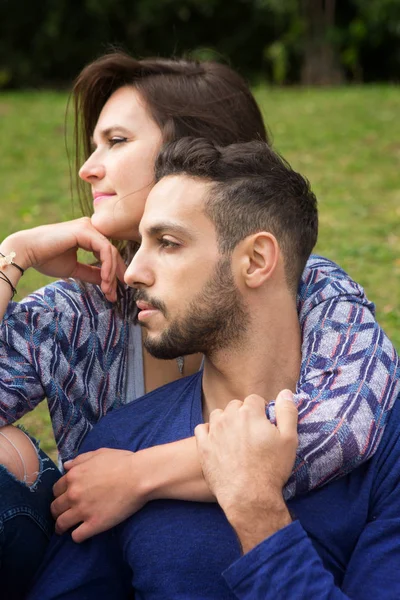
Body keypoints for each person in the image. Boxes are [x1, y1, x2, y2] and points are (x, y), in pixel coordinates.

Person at [0, 51, 398, 596]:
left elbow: (345, 424)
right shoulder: (73, 316)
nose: (87, 168)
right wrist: (12, 256)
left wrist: (141, 474)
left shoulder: (315, 290)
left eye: (116, 142)